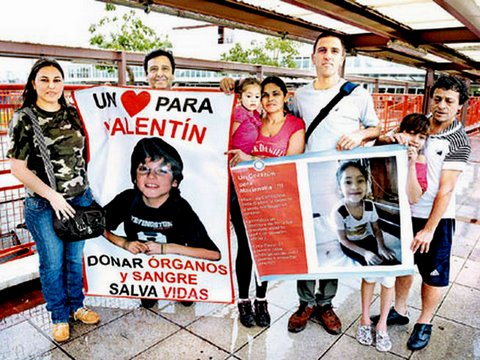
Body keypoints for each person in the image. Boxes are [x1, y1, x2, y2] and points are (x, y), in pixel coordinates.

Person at [375, 76, 472, 351]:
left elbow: (446, 190)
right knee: (405, 265)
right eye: (438, 98)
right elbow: (390, 140)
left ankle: (425, 321)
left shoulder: (459, 141)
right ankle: (400, 310)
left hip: (437, 218)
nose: (441, 105)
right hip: (405, 210)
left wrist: (429, 228)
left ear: (459, 106)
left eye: (449, 101)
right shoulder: (418, 123)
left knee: (433, 274)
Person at [7, 58, 100, 342]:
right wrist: (52, 195)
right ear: (33, 83)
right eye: (44, 79)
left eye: (56, 79)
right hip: (44, 205)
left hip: (79, 201)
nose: (51, 85)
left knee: (74, 260)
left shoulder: (72, 113)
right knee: (52, 264)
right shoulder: (25, 118)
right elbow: (17, 168)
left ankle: (77, 306)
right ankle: (58, 315)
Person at [104, 137, 221, 306]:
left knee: (186, 302)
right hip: (144, 272)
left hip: (177, 271)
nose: (151, 176)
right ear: (135, 177)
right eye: (144, 169)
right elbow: (95, 225)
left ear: (175, 181)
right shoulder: (127, 199)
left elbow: (213, 254)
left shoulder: (180, 208)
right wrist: (123, 243)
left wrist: (166, 249)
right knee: (148, 302)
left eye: (162, 171)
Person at [227, 76, 305, 328]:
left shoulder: (294, 125)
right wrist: (227, 83)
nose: (269, 99)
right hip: (243, 193)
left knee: (265, 248)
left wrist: (251, 158)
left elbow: (291, 163)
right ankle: (243, 301)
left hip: (273, 196)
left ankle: (261, 299)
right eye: (264, 95)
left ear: (285, 97)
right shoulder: (251, 119)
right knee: (244, 248)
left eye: (275, 94)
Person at [333, 160, 397, 351]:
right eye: (348, 182)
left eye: (360, 181)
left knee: (390, 273)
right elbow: (344, 241)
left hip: (368, 239)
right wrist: (366, 253)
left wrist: (382, 246)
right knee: (370, 273)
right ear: (340, 186)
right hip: (351, 245)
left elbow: (376, 230)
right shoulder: (339, 211)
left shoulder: (369, 206)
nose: (355, 186)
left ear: (367, 184)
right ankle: (365, 320)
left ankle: (382, 324)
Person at [231, 77, 262, 154]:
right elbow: (229, 134)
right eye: (248, 96)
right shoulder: (239, 112)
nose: (253, 100)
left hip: (248, 156)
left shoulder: (256, 114)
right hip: (235, 157)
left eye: (257, 97)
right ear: (240, 97)